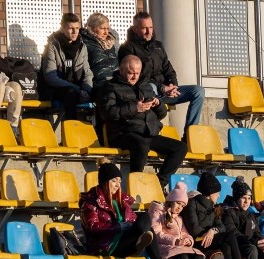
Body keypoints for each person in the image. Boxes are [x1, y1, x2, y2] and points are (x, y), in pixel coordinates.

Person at [97, 55, 187, 189]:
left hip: (149, 132)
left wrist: (158, 104)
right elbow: (107, 113)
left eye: (137, 73)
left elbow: (161, 114)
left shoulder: (145, 86)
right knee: (141, 145)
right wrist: (135, 108)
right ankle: (136, 185)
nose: (135, 76)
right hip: (124, 133)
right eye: (131, 73)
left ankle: (159, 183)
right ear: (121, 70)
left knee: (180, 147)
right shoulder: (110, 87)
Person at [118, 11, 205, 134]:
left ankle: (190, 134)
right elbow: (137, 78)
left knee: (198, 91)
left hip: (165, 92)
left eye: (151, 27)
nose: (149, 32)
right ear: (135, 29)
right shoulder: (127, 48)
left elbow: (168, 68)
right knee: (151, 87)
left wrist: (172, 85)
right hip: (146, 92)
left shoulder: (158, 46)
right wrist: (162, 88)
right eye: (144, 28)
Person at [79, 162, 164, 259]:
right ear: (104, 182)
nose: (117, 185)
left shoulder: (121, 201)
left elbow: (133, 219)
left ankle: (141, 243)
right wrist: (118, 227)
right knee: (147, 229)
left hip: (124, 241)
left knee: (144, 217)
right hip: (107, 246)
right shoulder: (91, 202)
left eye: (119, 181)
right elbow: (92, 227)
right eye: (114, 181)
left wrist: (131, 225)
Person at [183, 172, 244, 259]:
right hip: (198, 241)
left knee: (226, 247)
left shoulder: (214, 206)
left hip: (210, 239)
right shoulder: (191, 204)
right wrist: (209, 233)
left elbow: (221, 226)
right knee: (229, 235)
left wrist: (213, 230)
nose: (219, 195)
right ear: (210, 193)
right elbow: (194, 230)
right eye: (217, 193)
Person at [40, 13, 93, 119]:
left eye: (77, 28)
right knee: (71, 93)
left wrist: (86, 90)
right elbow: (50, 77)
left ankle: (98, 133)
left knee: (102, 92)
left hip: (78, 88)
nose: (75, 32)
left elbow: (87, 72)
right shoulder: (52, 46)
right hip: (56, 89)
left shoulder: (82, 47)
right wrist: (77, 89)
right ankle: (71, 130)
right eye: (71, 28)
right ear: (63, 28)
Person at [148, 182, 205, 259]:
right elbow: (156, 234)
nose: (180, 208)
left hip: (178, 248)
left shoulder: (179, 218)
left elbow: (185, 233)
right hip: (164, 247)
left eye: (183, 206)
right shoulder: (158, 213)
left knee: (199, 257)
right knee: (184, 258)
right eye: (178, 203)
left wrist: (188, 240)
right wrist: (175, 240)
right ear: (171, 200)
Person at [81, 13, 121, 92]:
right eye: (102, 28)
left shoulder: (111, 43)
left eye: (107, 28)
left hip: (117, 81)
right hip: (100, 83)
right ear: (92, 28)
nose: (106, 32)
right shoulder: (85, 43)